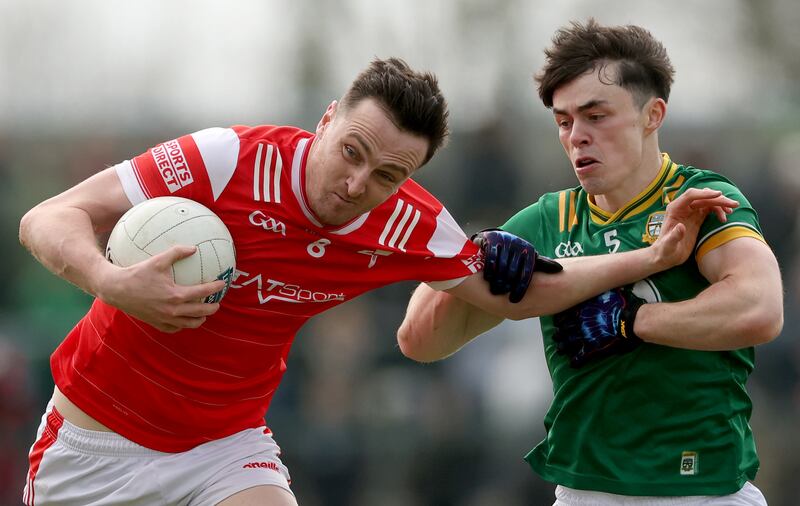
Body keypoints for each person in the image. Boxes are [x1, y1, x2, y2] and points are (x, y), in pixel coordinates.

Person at [19, 57, 733, 506]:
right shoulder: (226, 160)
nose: (358, 183)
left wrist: (646, 258)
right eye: (351, 152)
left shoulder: (407, 222)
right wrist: (111, 282)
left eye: (388, 174)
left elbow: (516, 293)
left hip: (223, 449)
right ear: (326, 121)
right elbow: (51, 217)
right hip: (94, 447)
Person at [398, 19, 783, 506]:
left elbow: (760, 309)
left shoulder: (702, 199)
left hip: (707, 492)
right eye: (564, 122)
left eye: (596, 116)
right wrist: (476, 256)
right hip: (583, 495)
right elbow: (419, 340)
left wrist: (632, 321)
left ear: (652, 114)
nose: (577, 136)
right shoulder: (548, 220)